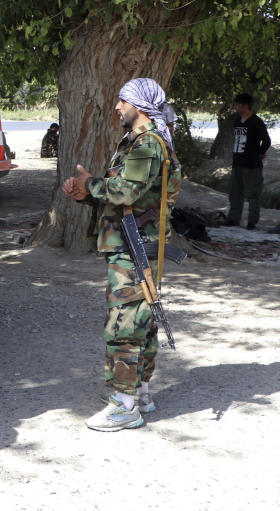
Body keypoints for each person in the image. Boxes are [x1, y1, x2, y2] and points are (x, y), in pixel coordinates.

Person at [62, 77, 182, 432]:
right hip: (132, 244)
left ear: (139, 107)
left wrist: (91, 186)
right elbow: (127, 189)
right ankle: (140, 393)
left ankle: (123, 405)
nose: (117, 107)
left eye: (123, 101)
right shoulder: (136, 143)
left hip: (135, 248)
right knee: (140, 323)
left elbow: (127, 190)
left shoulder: (147, 144)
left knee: (124, 326)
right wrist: (89, 189)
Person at [226, 93, 271, 230]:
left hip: (252, 164)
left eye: (238, 104)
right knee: (235, 192)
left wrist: (260, 152)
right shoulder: (237, 121)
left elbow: (266, 140)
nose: (235, 107)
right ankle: (234, 219)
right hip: (237, 162)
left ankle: (252, 221)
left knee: (253, 194)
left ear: (246, 106)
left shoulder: (256, 121)